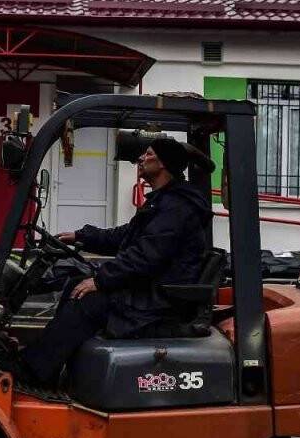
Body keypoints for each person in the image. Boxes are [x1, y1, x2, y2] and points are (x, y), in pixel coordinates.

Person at [19, 137, 213, 386]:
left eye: (149, 154)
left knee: (87, 299)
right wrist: (82, 236)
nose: (141, 159)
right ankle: (48, 367)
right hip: (155, 288)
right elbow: (126, 235)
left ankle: (34, 372)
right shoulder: (163, 201)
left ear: (163, 164)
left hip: (161, 298)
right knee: (74, 285)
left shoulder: (175, 208)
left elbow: (146, 256)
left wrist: (100, 280)